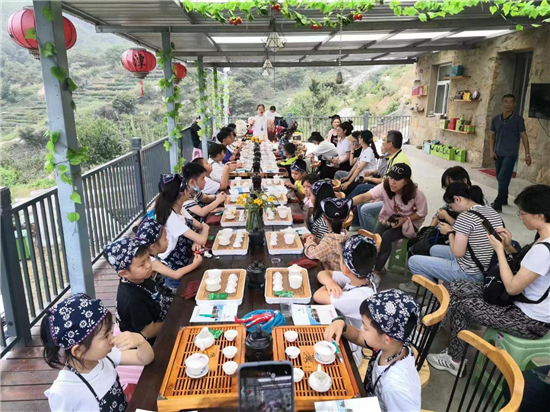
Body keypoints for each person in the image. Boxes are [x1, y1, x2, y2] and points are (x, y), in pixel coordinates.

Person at [427, 185, 550, 377]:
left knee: (462, 305)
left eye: (523, 213)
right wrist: (509, 247)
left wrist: (500, 250)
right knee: (456, 285)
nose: (520, 217)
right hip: (520, 303)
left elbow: (511, 287)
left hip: (528, 320)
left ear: (540, 216)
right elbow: (527, 269)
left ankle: (454, 359)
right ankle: (433, 327)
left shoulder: (544, 249)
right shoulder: (543, 238)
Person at [42, 294, 154, 412]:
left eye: (111, 331)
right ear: (78, 350)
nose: (112, 338)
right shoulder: (63, 391)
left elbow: (144, 359)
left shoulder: (106, 358)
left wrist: (140, 341)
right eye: (106, 336)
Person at [325, 289, 421, 412]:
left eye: (365, 327)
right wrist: (341, 324)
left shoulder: (394, 387)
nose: (361, 328)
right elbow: (359, 336)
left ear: (387, 339)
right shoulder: (395, 346)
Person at [408, 182, 503, 285]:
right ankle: (445, 286)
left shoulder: (465, 217)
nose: (451, 209)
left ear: (457, 199)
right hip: (486, 265)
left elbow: (458, 252)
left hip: (470, 272)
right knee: (434, 249)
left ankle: (439, 296)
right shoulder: (490, 210)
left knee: (413, 262)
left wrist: (449, 232)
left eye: (450, 205)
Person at [352, 164, 427, 287]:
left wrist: (406, 219)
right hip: (388, 219)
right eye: (391, 178)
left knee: (386, 237)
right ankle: (372, 267)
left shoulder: (417, 194)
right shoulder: (385, 186)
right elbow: (366, 196)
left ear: (406, 181)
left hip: (409, 224)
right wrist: (348, 202)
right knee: (375, 238)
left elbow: (421, 213)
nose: (392, 182)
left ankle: (377, 273)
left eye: (397, 179)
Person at [399, 166, 472, 292]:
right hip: (453, 239)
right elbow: (439, 213)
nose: (449, 190)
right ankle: (421, 282)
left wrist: (448, 222)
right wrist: (430, 228)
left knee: (418, 252)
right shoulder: (460, 197)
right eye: (446, 187)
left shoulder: (470, 203)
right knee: (419, 242)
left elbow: (463, 235)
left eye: (450, 185)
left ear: (464, 181)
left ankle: (430, 291)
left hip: (463, 252)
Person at [105, 237, 174, 340]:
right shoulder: (132, 299)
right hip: (151, 343)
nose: (148, 265)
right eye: (142, 264)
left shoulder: (141, 277)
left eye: (148, 258)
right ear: (124, 273)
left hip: (163, 315)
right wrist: (175, 321)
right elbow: (149, 332)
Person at [154, 174, 209, 291]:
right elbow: (202, 237)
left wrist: (196, 237)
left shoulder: (178, 208)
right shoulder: (171, 217)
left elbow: (198, 226)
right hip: (176, 272)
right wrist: (206, 228)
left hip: (187, 261)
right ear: (184, 192)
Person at [314, 235, 377, 331]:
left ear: (346, 268)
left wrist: (331, 283)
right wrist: (330, 282)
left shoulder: (356, 298)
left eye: (341, 259)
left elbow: (318, 296)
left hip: (350, 342)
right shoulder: (362, 278)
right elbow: (323, 273)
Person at [351, 130, 411, 231]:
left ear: (390, 144)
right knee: (361, 202)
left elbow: (390, 184)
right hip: (388, 193)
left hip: (396, 200)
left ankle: (374, 238)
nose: (381, 144)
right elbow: (386, 181)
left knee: (365, 209)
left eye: (384, 141)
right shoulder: (393, 157)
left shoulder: (400, 161)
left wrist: (379, 196)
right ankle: (365, 231)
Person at [489, 93, 531, 212]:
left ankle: (498, 203)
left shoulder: (518, 120)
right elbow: (492, 136)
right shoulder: (496, 119)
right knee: (500, 178)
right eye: (506, 101)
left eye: (511, 102)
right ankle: (504, 198)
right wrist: (492, 150)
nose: (508, 104)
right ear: (502, 103)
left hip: (510, 154)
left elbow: (524, 136)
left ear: (514, 104)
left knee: (503, 177)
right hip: (498, 153)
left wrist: (527, 154)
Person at [135, 217, 203, 285]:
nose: (168, 241)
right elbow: (176, 274)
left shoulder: (149, 256)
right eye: (165, 239)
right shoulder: (151, 261)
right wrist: (195, 264)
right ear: (153, 247)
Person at [303, 198, 352, 270]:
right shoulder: (345, 235)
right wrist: (317, 239)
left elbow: (312, 254)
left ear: (324, 218)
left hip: (332, 276)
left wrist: (309, 241)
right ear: (345, 219)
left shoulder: (329, 241)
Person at [335, 130, 380, 195]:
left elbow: (359, 168)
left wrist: (349, 182)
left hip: (365, 179)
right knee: (343, 183)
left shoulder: (368, 152)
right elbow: (356, 164)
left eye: (359, 137)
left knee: (346, 189)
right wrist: (348, 177)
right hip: (359, 177)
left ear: (362, 139)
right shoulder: (364, 149)